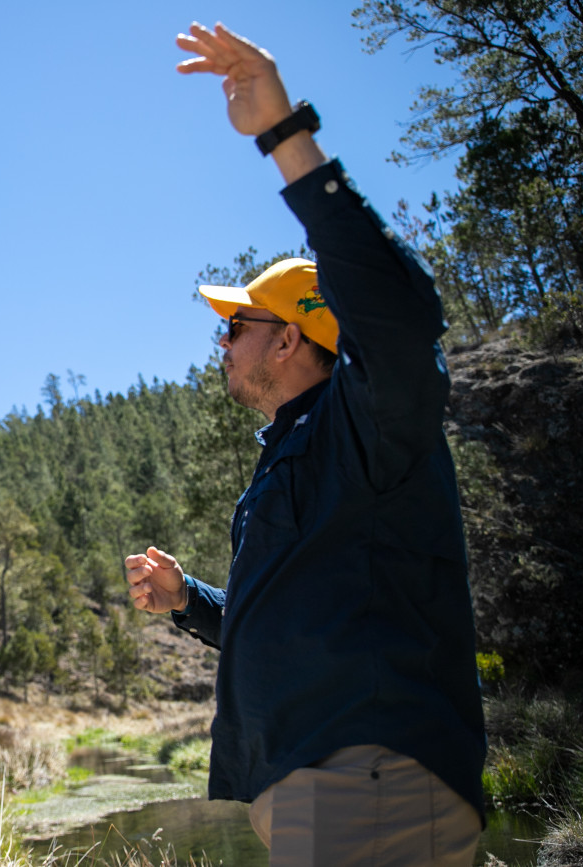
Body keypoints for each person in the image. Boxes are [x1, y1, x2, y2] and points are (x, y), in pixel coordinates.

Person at [124, 22, 486, 866]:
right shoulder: (298, 450)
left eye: (236, 327)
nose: (221, 344)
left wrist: (286, 137)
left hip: (366, 783)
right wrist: (188, 601)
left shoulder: (366, 422)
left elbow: (397, 320)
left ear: (289, 339)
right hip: (322, 789)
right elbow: (296, 623)